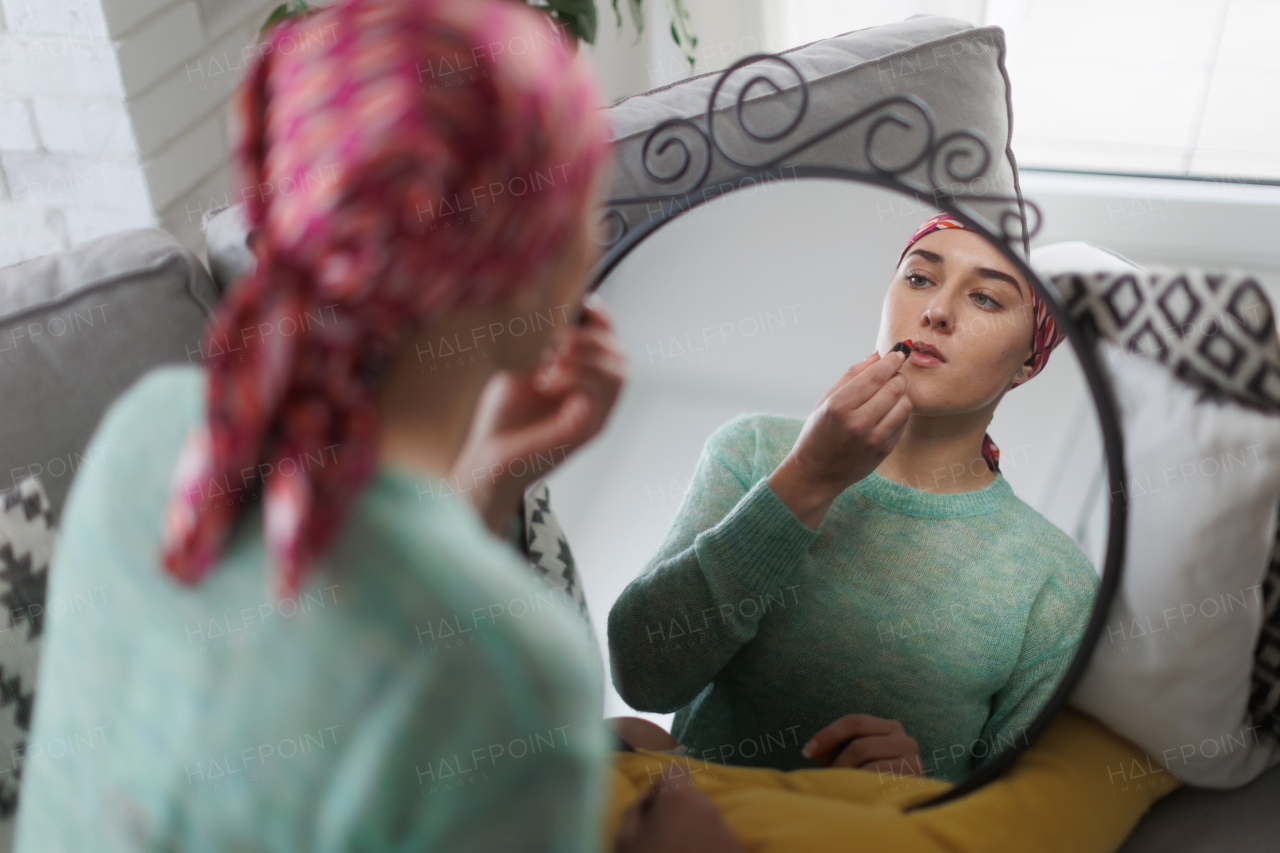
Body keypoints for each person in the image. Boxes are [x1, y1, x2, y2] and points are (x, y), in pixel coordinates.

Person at [12, 0, 622, 849]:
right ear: (520, 262)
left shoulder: (145, 441)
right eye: (584, 203)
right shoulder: (514, 676)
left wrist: (480, 485)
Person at [607, 213, 1101, 784]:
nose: (937, 310)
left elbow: (1019, 820)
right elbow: (643, 676)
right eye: (919, 278)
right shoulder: (754, 450)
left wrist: (912, 798)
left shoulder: (1055, 581)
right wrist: (806, 479)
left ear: (1029, 362)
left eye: (986, 299)